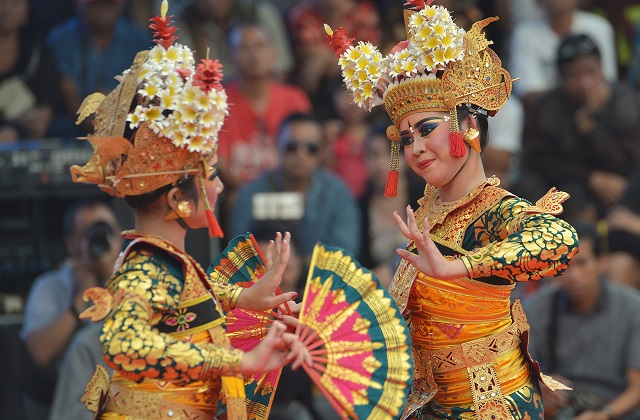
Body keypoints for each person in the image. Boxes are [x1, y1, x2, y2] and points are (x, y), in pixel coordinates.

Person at [326, 2, 579, 418]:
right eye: (405, 140)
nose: (416, 148)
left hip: (490, 404)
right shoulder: (425, 211)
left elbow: (559, 240)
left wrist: (455, 268)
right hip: (432, 403)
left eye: (427, 130)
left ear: (469, 126)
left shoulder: (494, 209)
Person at [68, 3, 310, 418]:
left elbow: (180, 301)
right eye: (208, 175)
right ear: (178, 199)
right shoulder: (148, 265)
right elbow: (124, 342)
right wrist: (241, 362)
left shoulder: (164, 258)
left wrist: (245, 296)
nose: (218, 185)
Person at [524, 222, 640, 419]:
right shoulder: (536, 307)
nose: (574, 275)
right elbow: (517, 375)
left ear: (601, 262)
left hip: (615, 409)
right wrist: (538, 385)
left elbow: (637, 388)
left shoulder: (631, 306)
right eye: (564, 266)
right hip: (560, 408)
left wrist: (603, 415)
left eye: (582, 263)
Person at [518, 34, 640, 220]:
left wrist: (591, 130)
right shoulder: (547, 106)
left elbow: (630, 162)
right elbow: (537, 161)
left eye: (590, 72)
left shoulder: (626, 103)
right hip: (565, 188)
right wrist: (591, 178)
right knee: (530, 187)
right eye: (574, 75)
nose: (584, 83)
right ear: (560, 77)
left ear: (602, 68)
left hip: (619, 188)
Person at [20, 199, 121, 419]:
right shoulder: (50, 286)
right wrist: (80, 302)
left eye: (106, 231)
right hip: (68, 399)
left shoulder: (134, 282)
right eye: (89, 232)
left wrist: (112, 279)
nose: (100, 239)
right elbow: (39, 353)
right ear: (71, 242)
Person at [230, 112, 362, 262]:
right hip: (264, 279)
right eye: (292, 147)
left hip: (322, 283)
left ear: (322, 151)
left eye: (311, 148)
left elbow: (345, 254)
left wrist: (298, 267)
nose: (301, 155)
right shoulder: (252, 193)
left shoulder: (338, 193)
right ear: (277, 145)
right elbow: (238, 252)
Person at [217, 21, 311, 214]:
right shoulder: (218, 102)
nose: (254, 55)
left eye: (260, 46)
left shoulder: (295, 98)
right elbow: (221, 166)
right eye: (244, 48)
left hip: (291, 194)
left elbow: (309, 155)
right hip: (243, 196)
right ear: (231, 58)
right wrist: (254, 193)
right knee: (235, 201)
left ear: (274, 53)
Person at [46, 0, 151, 134]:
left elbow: (144, 90)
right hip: (76, 122)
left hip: (125, 120)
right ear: (78, 4)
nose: (102, 10)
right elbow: (68, 93)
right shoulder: (60, 39)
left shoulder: (138, 39)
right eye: (94, 4)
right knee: (60, 126)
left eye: (108, 4)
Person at [508, 0, 616, 107]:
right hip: (548, 115)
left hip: (598, 109)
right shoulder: (524, 34)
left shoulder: (600, 27)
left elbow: (608, 82)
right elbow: (527, 94)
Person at [0, 0, 66, 142]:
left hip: (25, 129)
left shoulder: (36, 47)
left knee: (61, 126)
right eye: (1, 2)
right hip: (8, 130)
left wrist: (44, 113)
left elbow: (49, 93)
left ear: (27, 10)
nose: (6, 9)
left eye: (15, 3)